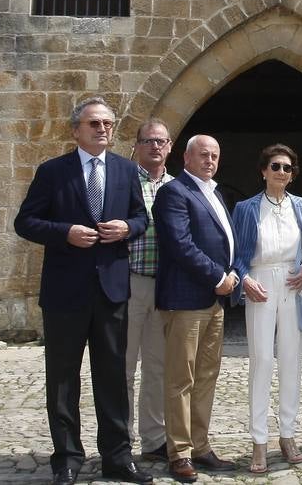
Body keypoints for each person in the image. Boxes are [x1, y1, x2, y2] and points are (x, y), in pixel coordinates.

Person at [13, 96, 153, 485]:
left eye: (108, 123)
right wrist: (65, 233)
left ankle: (117, 456)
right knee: (62, 378)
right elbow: (25, 222)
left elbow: (141, 217)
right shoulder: (53, 172)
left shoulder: (127, 171)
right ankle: (67, 458)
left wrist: (128, 228)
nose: (103, 129)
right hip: (64, 291)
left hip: (111, 288)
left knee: (113, 375)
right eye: (94, 123)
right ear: (76, 130)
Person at [230, 144, 302, 474]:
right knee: (262, 361)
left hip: (292, 282)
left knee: (290, 360)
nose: (282, 172)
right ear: (263, 170)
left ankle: (287, 435)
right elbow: (236, 253)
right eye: (276, 166)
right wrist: (243, 279)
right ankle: (259, 440)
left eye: (287, 168)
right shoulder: (246, 208)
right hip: (260, 282)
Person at [154, 134, 239, 482]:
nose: (209, 160)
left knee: (206, 377)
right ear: (186, 158)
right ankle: (180, 453)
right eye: (203, 154)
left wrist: (232, 273)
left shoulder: (214, 192)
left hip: (214, 301)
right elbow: (179, 244)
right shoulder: (174, 193)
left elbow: (223, 242)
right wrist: (218, 276)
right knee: (181, 379)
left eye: (215, 155)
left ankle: (201, 446)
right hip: (187, 299)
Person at [125, 119, 174, 463]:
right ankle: (121, 438)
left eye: (160, 141)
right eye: (148, 141)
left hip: (165, 286)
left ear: (170, 146)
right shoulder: (123, 182)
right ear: (137, 146)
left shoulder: (178, 187)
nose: (155, 147)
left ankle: (154, 439)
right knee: (123, 366)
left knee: (158, 367)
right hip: (128, 281)